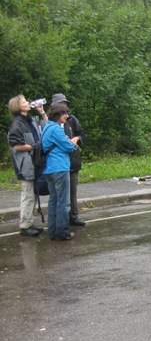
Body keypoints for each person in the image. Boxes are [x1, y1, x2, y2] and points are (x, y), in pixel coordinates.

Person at [7, 94, 47, 236]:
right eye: (24, 101)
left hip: (34, 163)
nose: (28, 102)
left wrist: (41, 112)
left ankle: (29, 222)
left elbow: (48, 127)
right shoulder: (17, 123)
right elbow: (16, 146)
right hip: (25, 165)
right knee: (28, 195)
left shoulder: (30, 120)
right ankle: (25, 225)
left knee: (33, 195)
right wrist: (34, 147)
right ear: (17, 106)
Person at [42, 103, 79, 241]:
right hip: (59, 167)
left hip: (49, 168)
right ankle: (62, 231)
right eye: (65, 114)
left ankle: (52, 230)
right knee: (63, 201)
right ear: (58, 114)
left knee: (53, 200)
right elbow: (69, 147)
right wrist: (71, 142)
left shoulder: (47, 127)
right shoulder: (56, 129)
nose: (67, 116)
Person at [51, 93, 85, 227]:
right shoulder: (50, 123)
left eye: (65, 104)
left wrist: (75, 139)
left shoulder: (71, 119)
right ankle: (60, 221)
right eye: (61, 104)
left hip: (72, 160)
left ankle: (73, 216)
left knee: (72, 191)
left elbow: (80, 134)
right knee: (59, 194)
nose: (64, 106)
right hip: (58, 162)